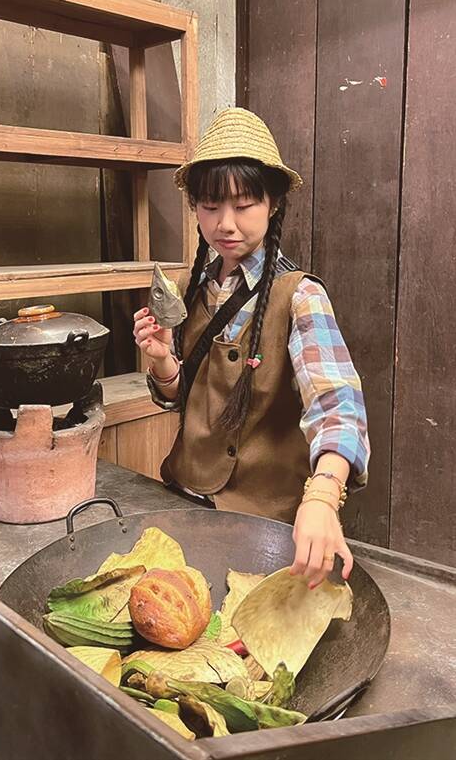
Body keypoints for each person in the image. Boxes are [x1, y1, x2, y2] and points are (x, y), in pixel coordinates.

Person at [133, 108, 369, 589]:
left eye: (244, 205)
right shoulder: (190, 288)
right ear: (195, 206)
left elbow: (338, 405)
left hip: (263, 524)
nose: (226, 224)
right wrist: (162, 364)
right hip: (186, 499)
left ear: (273, 203)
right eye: (209, 206)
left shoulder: (299, 296)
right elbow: (183, 399)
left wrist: (323, 496)